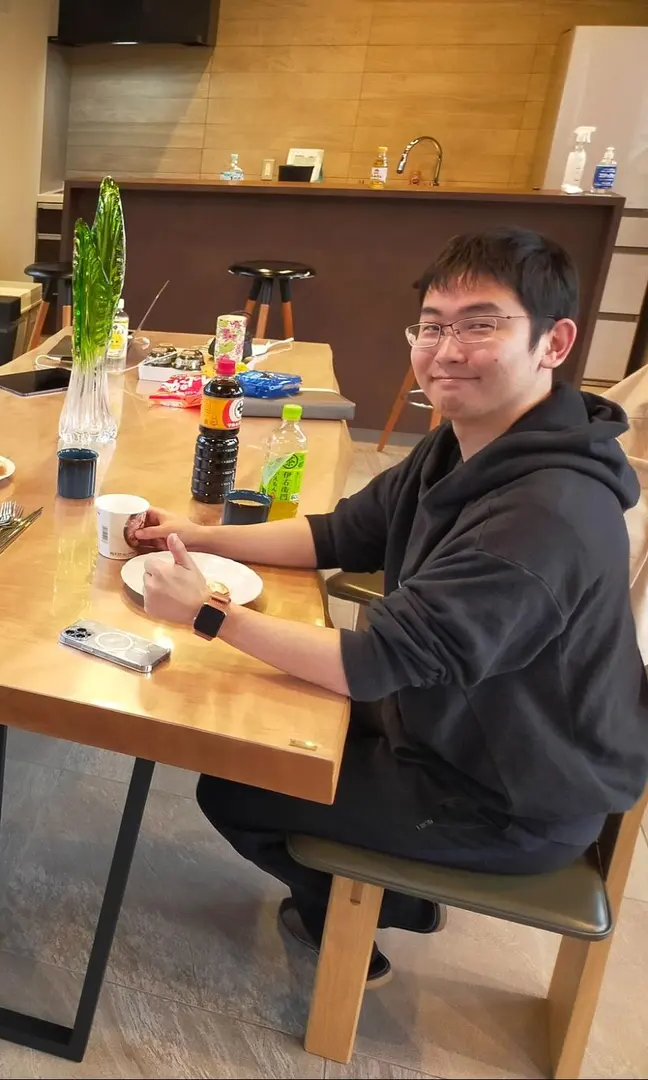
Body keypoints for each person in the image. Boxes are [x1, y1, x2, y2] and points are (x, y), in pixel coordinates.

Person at [127, 227, 648, 986]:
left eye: (480, 325)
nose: (447, 350)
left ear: (554, 342)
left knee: (238, 784)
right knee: (259, 721)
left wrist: (209, 614)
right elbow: (339, 533)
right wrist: (200, 534)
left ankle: (371, 913)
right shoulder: (467, 443)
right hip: (447, 718)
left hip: (507, 796)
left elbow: (374, 663)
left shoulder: (545, 515)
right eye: (432, 327)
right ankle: (392, 890)